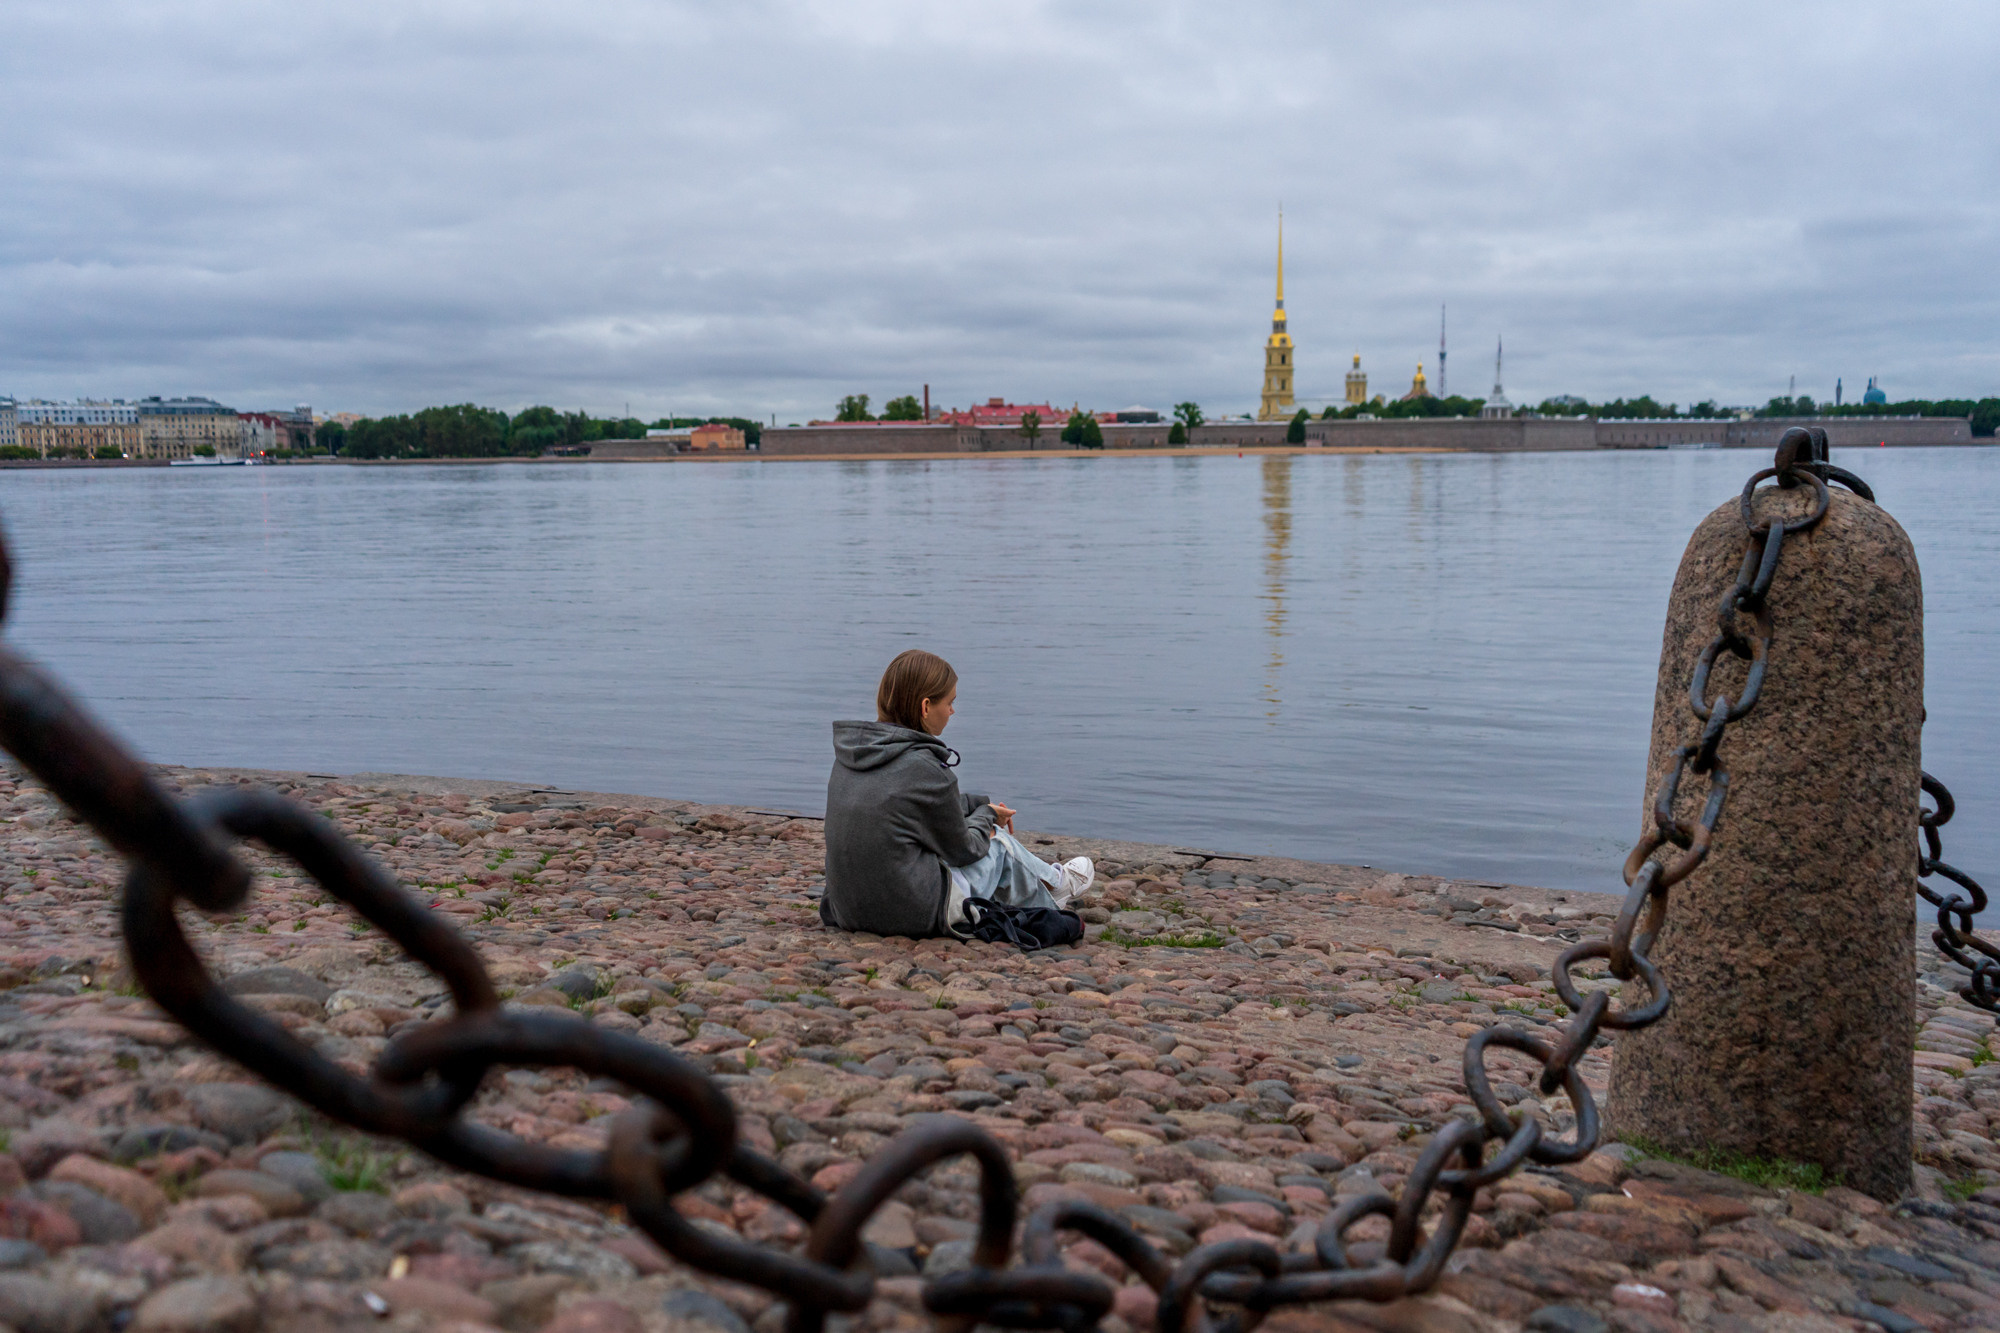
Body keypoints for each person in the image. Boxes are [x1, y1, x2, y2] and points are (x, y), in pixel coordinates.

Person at [821, 649, 1093, 938]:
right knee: (998, 844)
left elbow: (917, 809)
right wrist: (986, 816)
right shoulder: (926, 769)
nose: (952, 711)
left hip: (847, 910)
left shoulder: (851, 757)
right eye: (949, 702)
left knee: (969, 834)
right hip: (908, 913)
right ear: (925, 707)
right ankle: (1056, 887)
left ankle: (1050, 885)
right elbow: (965, 850)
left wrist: (978, 804)